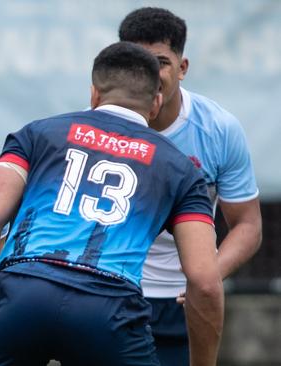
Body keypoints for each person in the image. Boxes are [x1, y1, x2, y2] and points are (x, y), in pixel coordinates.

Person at [0, 42, 224, 366]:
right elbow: (205, 283)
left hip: (23, 292)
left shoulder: (37, 134)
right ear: (156, 102)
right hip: (109, 310)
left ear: (94, 93)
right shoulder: (181, 170)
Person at [118, 8, 262, 365]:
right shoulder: (104, 125)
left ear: (182, 68)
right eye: (136, 62)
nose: (147, 75)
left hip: (187, 299)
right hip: (113, 291)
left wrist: (206, 276)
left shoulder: (218, 130)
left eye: (160, 62)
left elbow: (248, 225)